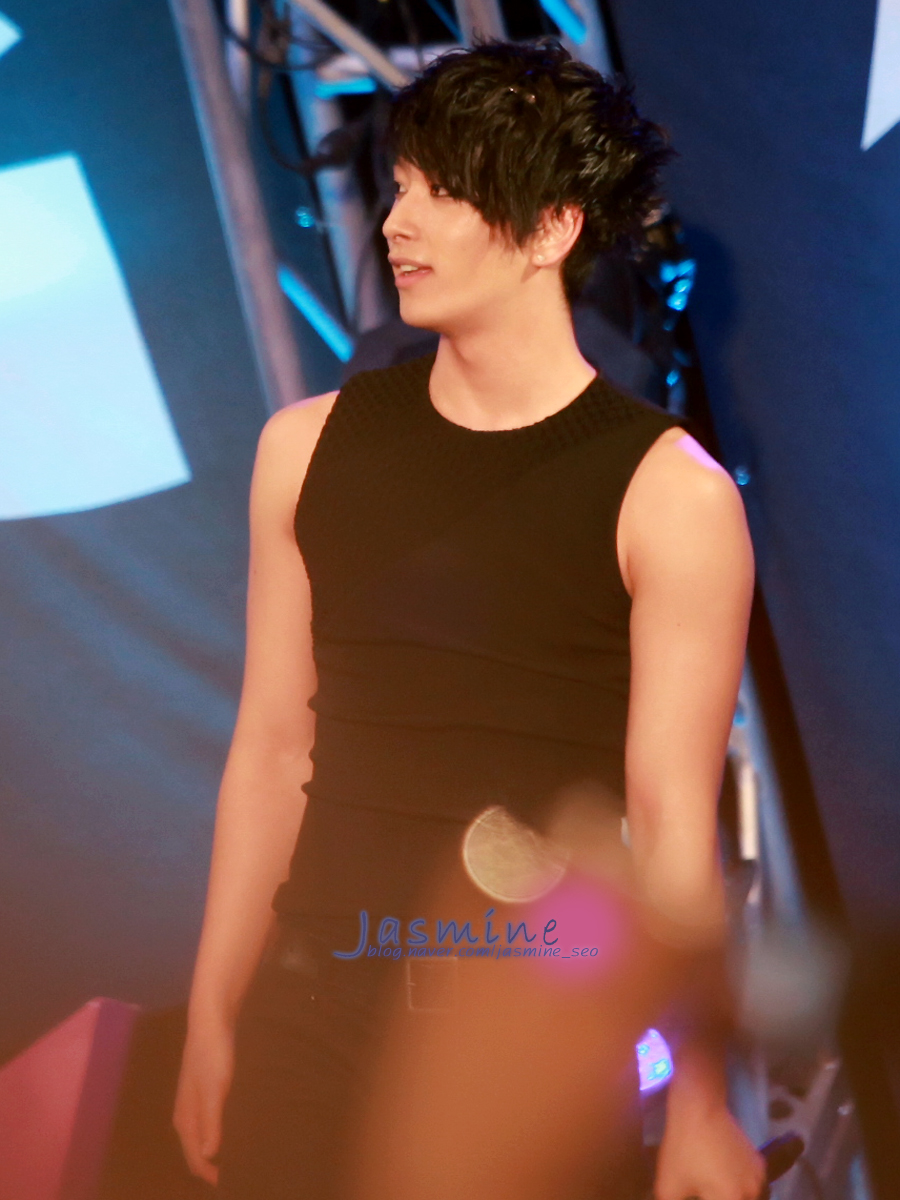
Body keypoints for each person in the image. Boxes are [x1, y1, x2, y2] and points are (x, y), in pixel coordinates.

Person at [174, 38, 765, 1200]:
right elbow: (273, 750)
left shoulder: (671, 497)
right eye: (399, 186)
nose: (398, 223)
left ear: (552, 229)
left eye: (442, 192)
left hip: (536, 1033)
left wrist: (699, 1099)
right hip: (313, 1015)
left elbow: (672, 830)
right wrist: (213, 1007)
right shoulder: (304, 450)